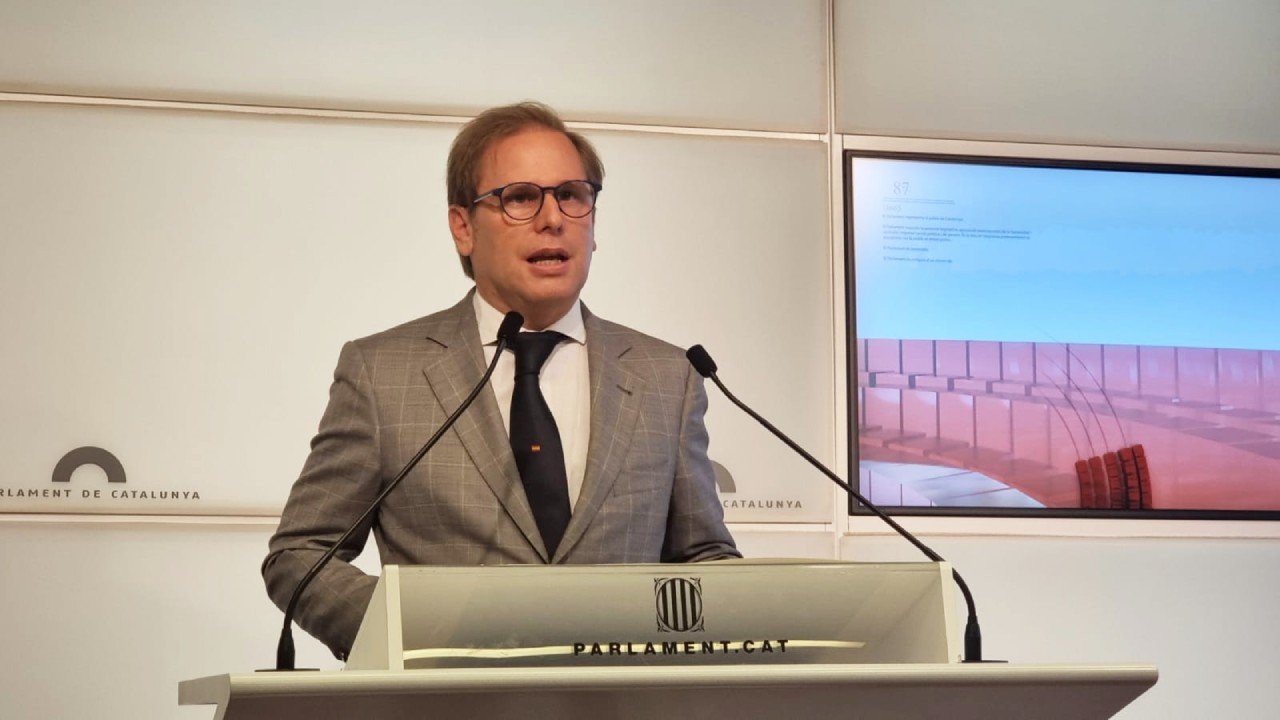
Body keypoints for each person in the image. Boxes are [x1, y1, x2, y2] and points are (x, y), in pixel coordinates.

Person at [262, 101, 739, 659]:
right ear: (463, 227)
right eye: (520, 197)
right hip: (448, 695)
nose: (553, 218)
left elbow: (704, 558)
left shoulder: (668, 377)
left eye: (572, 195)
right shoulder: (383, 374)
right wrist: (405, 634)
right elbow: (301, 554)